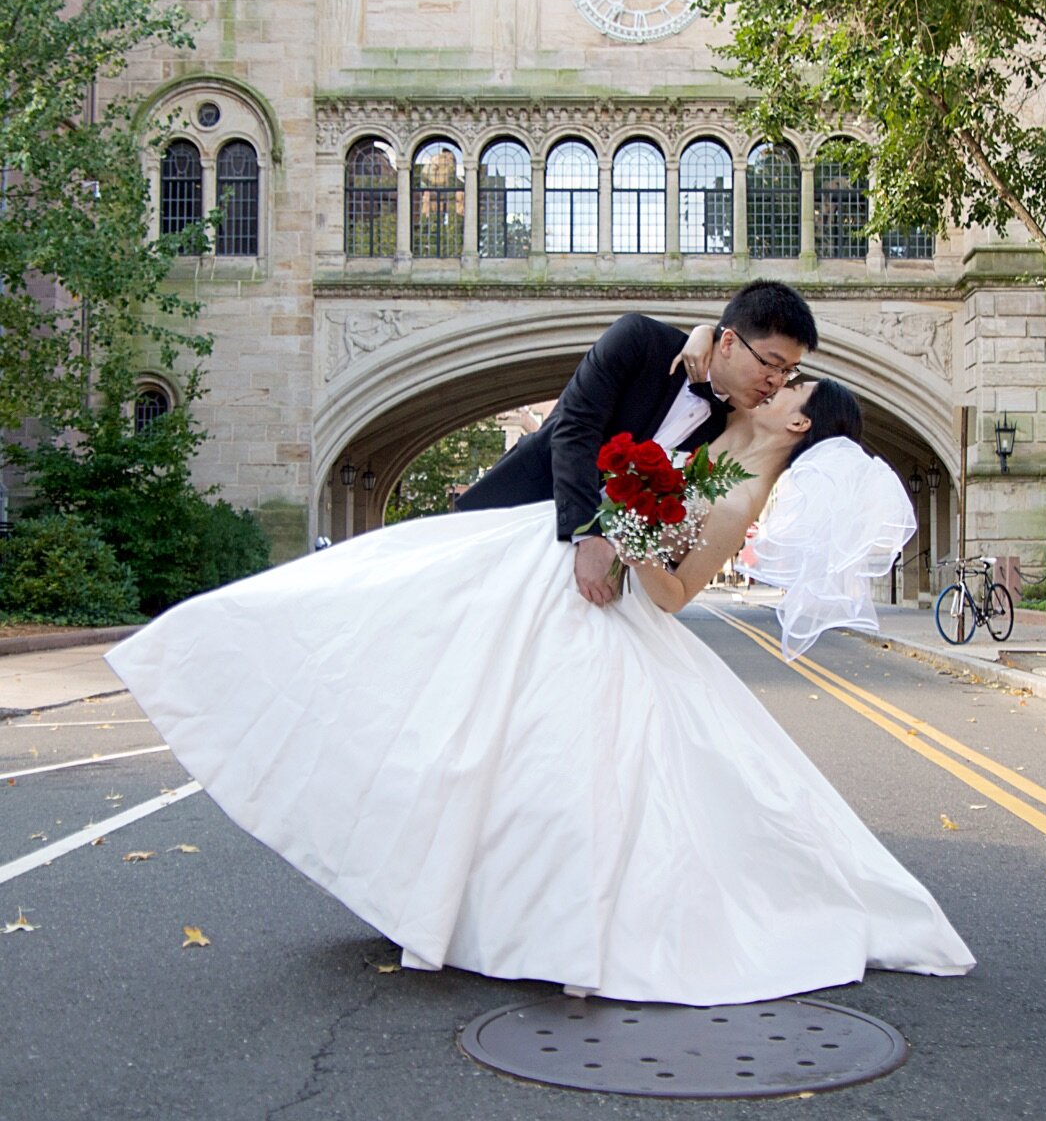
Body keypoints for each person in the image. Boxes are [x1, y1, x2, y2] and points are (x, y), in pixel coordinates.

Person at [106, 374, 975, 1008]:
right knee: (408, 647)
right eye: (780, 368)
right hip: (545, 561)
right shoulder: (719, 417)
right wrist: (626, 504)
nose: (778, 379)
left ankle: (514, 914)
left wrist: (634, 533)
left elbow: (674, 594)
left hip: (607, 606)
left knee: (545, 764)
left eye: (794, 382)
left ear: (799, 419)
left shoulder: (748, 491)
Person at [455, 280, 818, 607]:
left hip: (597, 586)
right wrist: (586, 535)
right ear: (727, 342)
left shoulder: (730, 425)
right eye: (771, 364)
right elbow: (574, 429)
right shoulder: (639, 341)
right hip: (521, 514)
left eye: (789, 372)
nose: (777, 380)